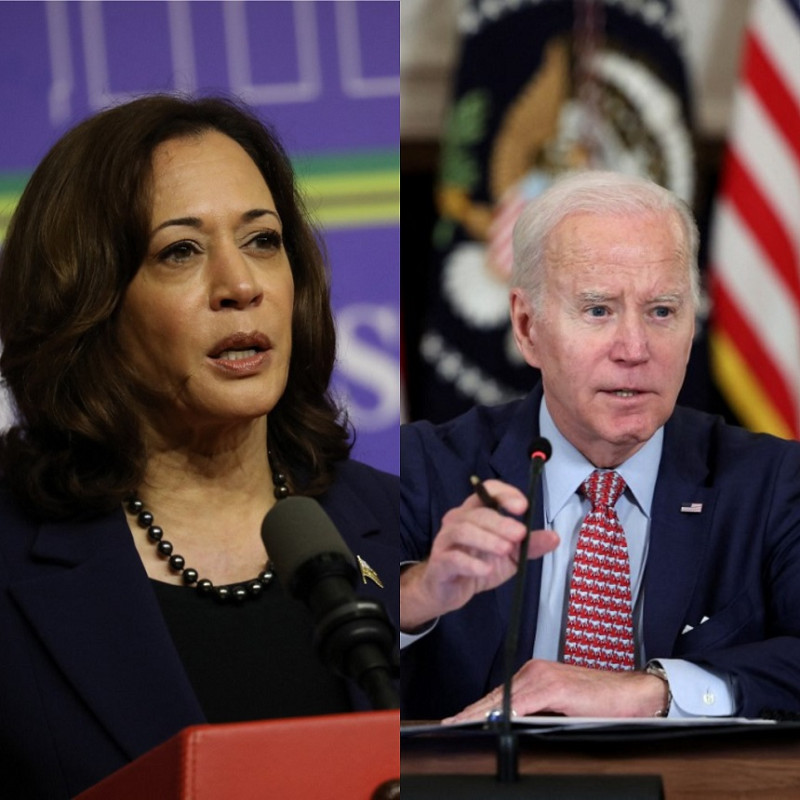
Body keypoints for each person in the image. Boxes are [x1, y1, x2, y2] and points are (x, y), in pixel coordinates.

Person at [0, 94, 399, 799]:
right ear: (87, 300)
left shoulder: (398, 524)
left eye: (263, 241)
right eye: (180, 251)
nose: (240, 286)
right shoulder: (13, 555)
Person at [400, 170, 800, 723]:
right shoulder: (421, 467)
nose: (634, 349)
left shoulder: (773, 483)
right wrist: (420, 594)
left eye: (662, 311)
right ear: (526, 326)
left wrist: (651, 691)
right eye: (598, 310)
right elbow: (318, 643)